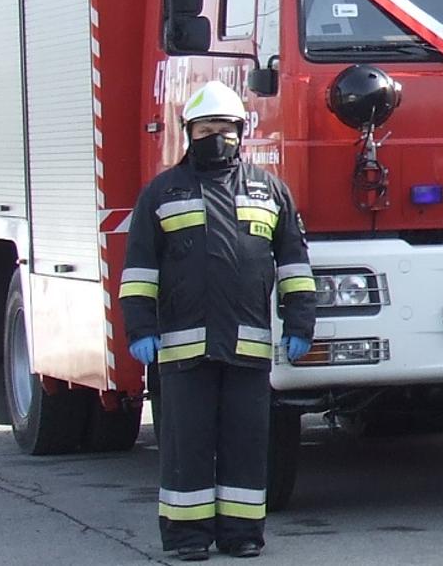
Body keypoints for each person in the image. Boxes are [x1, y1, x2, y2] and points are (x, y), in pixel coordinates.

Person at [118, 81, 318, 560]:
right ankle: (187, 538)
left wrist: (300, 324)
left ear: (241, 132)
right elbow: (140, 269)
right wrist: (141, 329)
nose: (217, 137)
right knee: (186, 448)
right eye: (207, 128)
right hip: (184, 352)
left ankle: (242, 534)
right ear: (189, 133)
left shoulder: (270, 191)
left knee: (247, 446)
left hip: (248, 350)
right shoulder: (162, 193)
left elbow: (293, 261)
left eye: (225, 128)